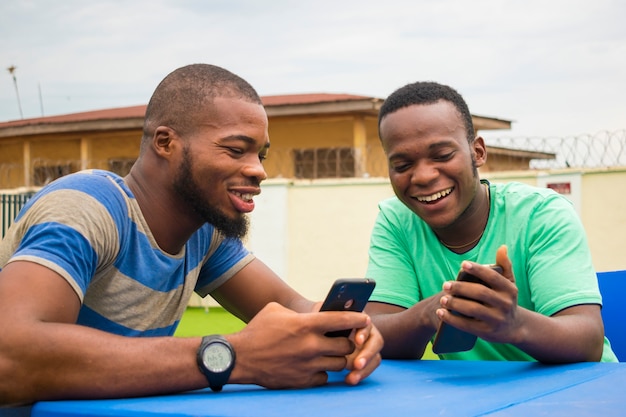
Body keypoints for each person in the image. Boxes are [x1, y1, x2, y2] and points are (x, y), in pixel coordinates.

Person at [0, 64, 382, 406]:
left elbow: (294, 309)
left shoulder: (203, 233)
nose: (258, 171)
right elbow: (9, 357)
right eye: (236, 150)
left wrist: (348, 331)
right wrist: (233, 356)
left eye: (261, 155)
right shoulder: (88, 207)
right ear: (166, 143)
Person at [363, 81, 617, 363]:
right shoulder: (397, 221)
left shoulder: (541, 215)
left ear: (478, 152)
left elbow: (588, 342)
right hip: (474, 402)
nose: (422, 176)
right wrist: (429, 313)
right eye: (402, 165)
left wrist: (514, 324)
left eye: (443, 155)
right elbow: (375, 334)